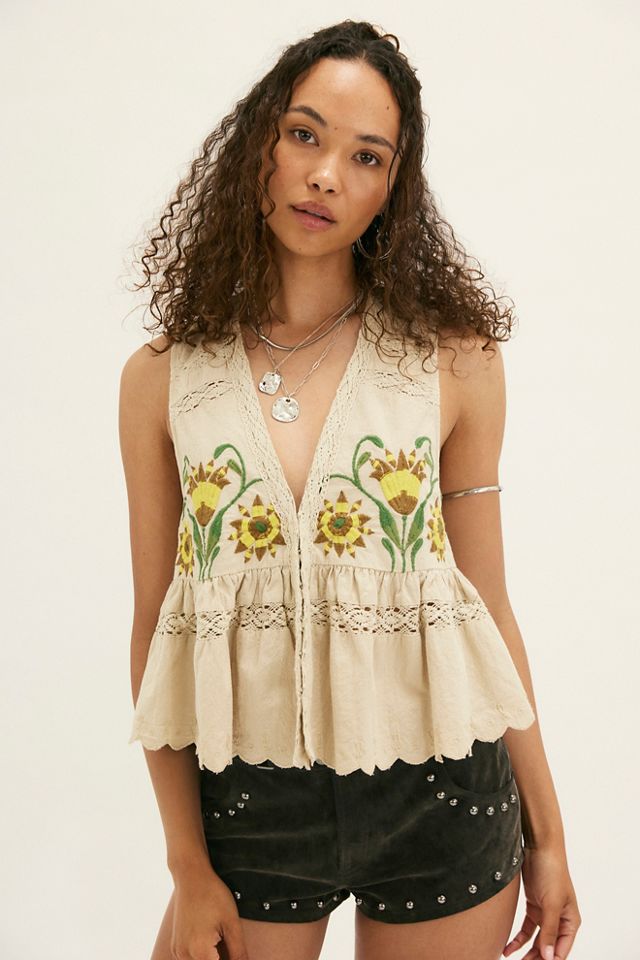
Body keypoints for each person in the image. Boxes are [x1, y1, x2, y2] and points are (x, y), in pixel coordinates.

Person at [118, 19, 581, 960]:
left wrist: (550, 835)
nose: (327, 174)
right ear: (259, 146)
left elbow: (487, 607)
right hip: (249, 806)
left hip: (443, 793)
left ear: (392, 190)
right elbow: (156, 626)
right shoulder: (162, 377)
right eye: (305, 135)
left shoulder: (453, 361)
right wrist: (186, 865)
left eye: (366, 156)